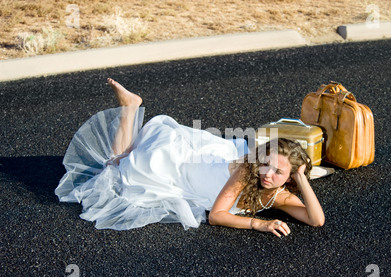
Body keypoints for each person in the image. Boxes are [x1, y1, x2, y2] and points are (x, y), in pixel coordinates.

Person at [55, 79, 325, 237]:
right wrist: (260, 224)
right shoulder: (247, 170)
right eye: (266, 163)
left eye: (278, 172)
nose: (267, 173)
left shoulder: (280, 196)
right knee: (117, 166)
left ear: (289, 176)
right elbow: (217, 216)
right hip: (181, 165)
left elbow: (316, 220)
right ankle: (131, 106)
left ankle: (132, 112)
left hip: (206, 166)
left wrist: (301, 177)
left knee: (121, 160)